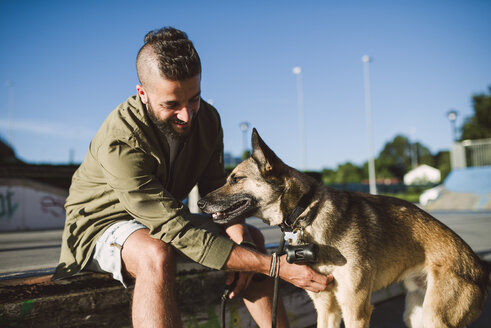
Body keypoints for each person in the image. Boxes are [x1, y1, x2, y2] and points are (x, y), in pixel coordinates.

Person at [54, 26, 332, 327]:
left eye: (194, 99)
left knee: (251, 239)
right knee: (155, 253)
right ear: (142, 94)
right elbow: (172, 228)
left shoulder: (208, 119)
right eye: (171, 104)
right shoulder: (120, 140)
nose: (187, 115)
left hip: (159, 219)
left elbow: (218, 191)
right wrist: (275, 267)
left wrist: (238, 232)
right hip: (100, 226)